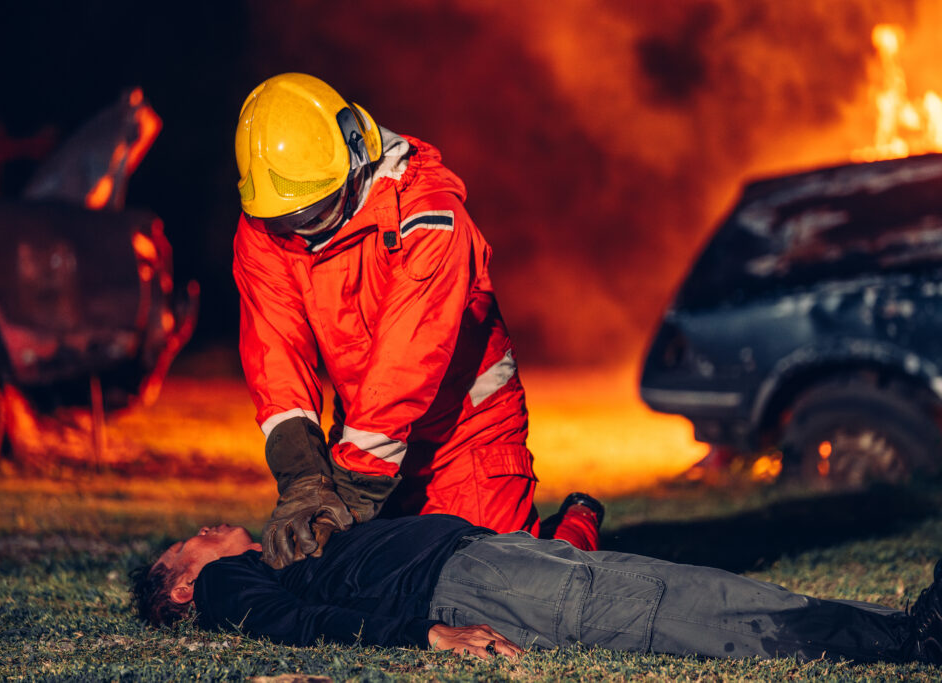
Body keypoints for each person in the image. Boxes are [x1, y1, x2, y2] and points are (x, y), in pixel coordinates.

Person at [232, 72, 599, 569]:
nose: (304, 234)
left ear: (356, 158)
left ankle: (577, 522)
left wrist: (352, 489)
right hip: (366, 430)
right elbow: (275, 354)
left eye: (317, 214)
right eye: (288, 223)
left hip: (464, 431)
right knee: (381, 573)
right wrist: (304, 479)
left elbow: (406, 363)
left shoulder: (429, 216)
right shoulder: (270, 221)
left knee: (504, 576)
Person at [131, 515, 942, 664]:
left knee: (684, 592)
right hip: (467, 579)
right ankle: (905, 639)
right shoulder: (229, 587)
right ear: (180, 591)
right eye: (186, 546)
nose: (204, 529)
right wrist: (427, 636)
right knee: (680, 608)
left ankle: (898, 627)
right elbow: (289, 623)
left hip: (485, 560)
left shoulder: (259, 568)